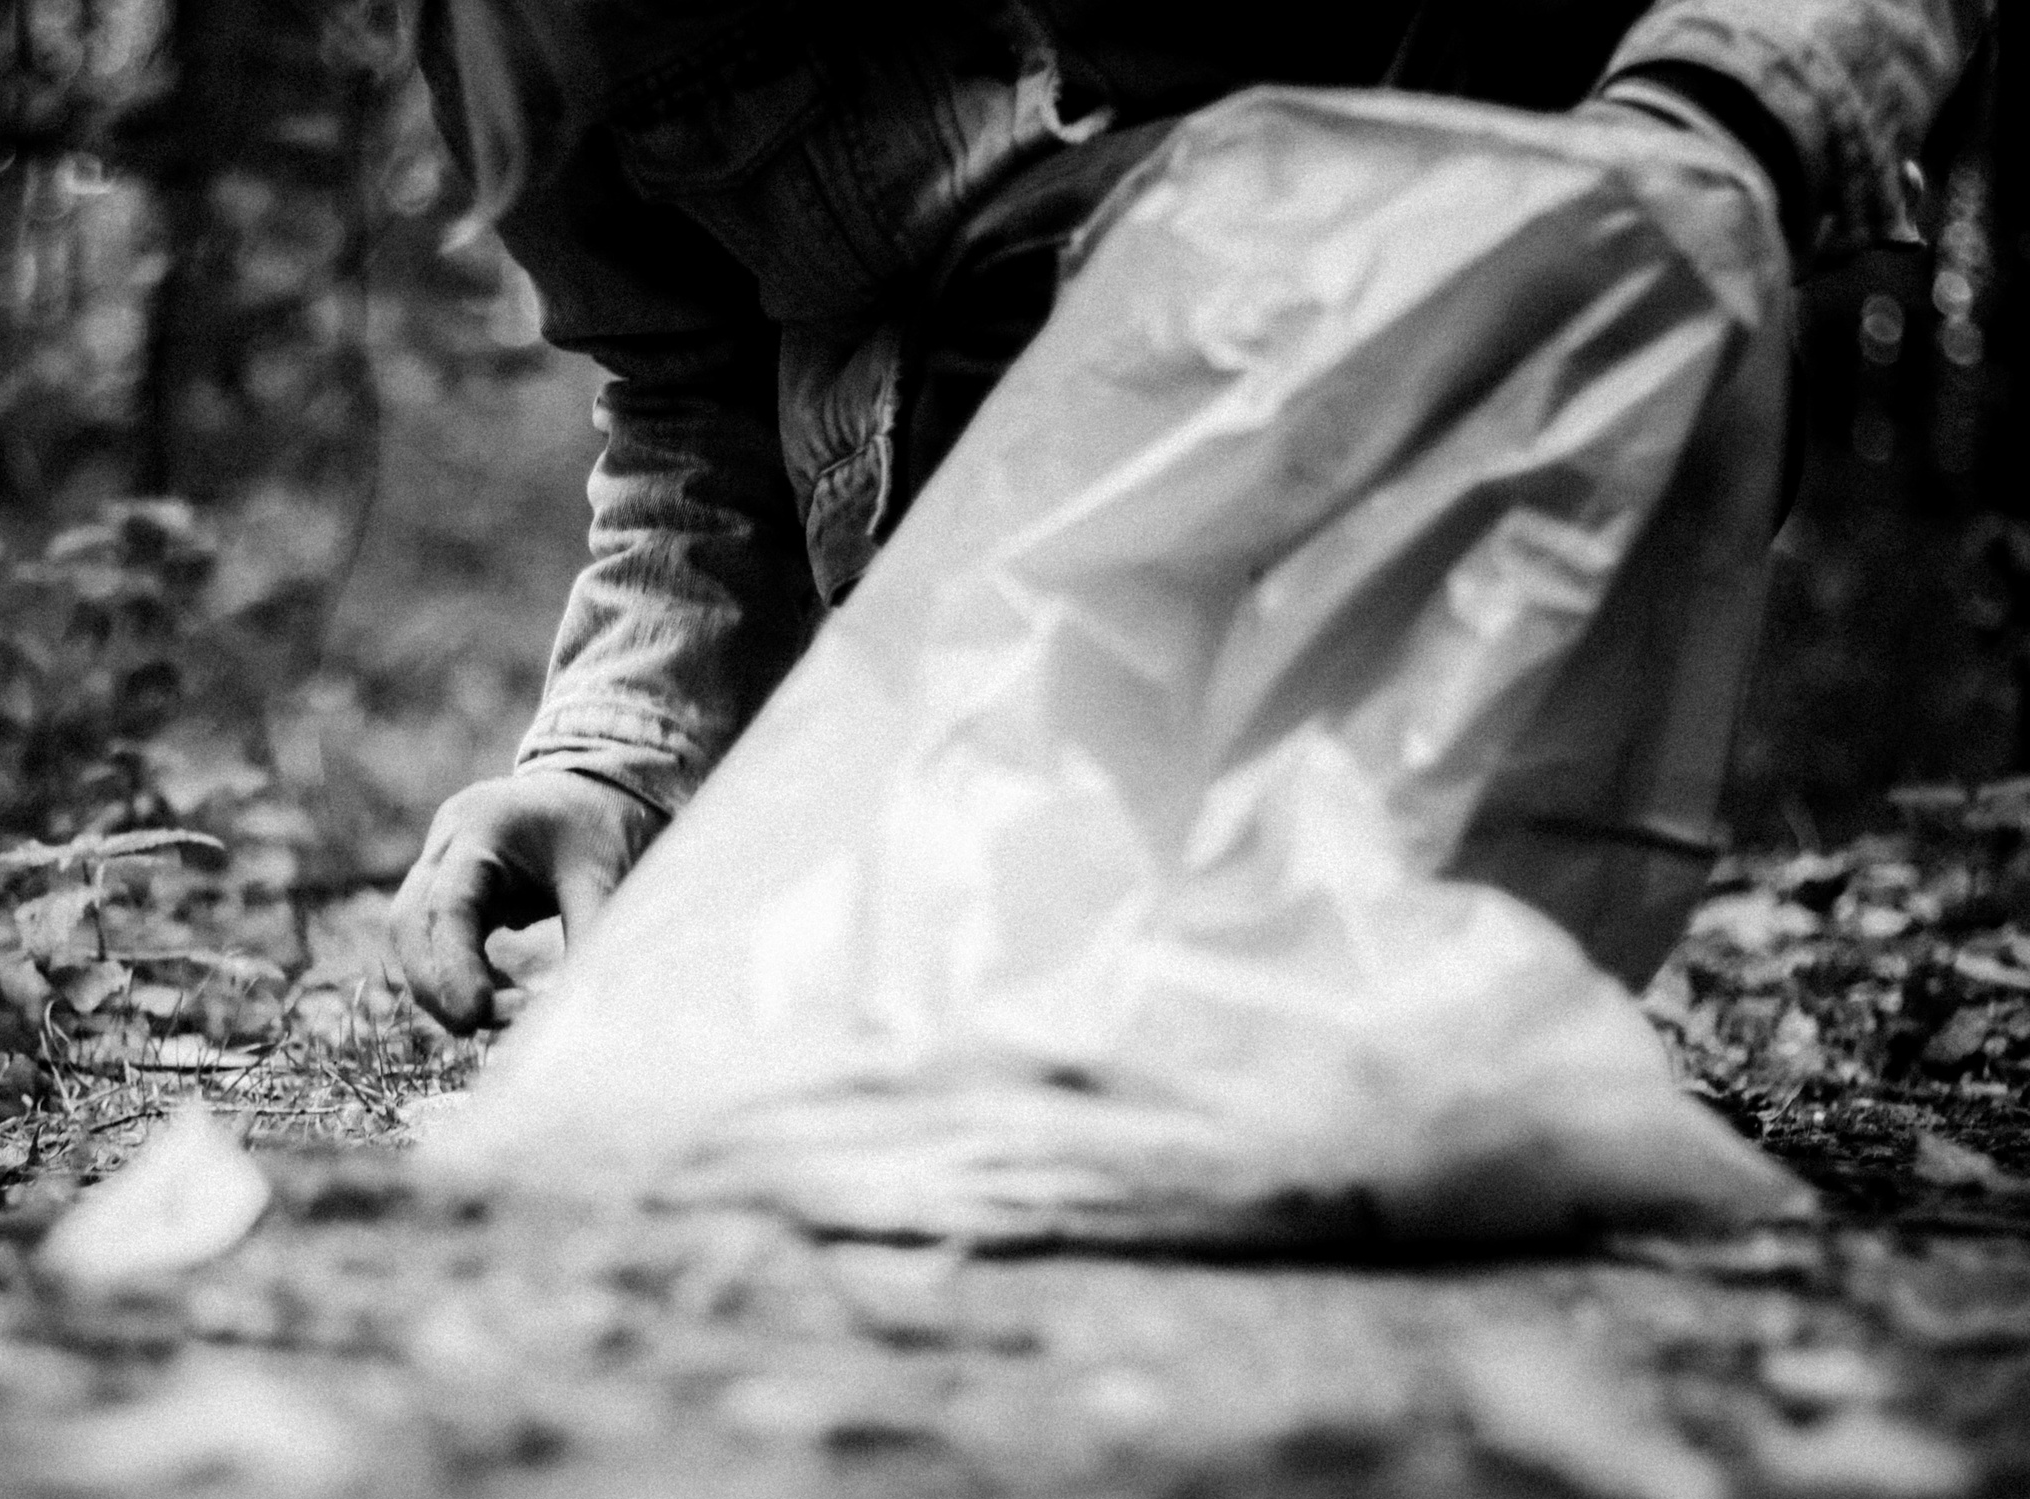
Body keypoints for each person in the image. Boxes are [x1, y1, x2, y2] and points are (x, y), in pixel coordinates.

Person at [391, 0, 1992, 1034]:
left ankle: (1410, 959)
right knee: (1054, 268)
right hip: (1009, 665)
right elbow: (690, 387)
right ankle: (1121, 966)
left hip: (1522, 532)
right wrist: (617, 757)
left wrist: (1698, 140)